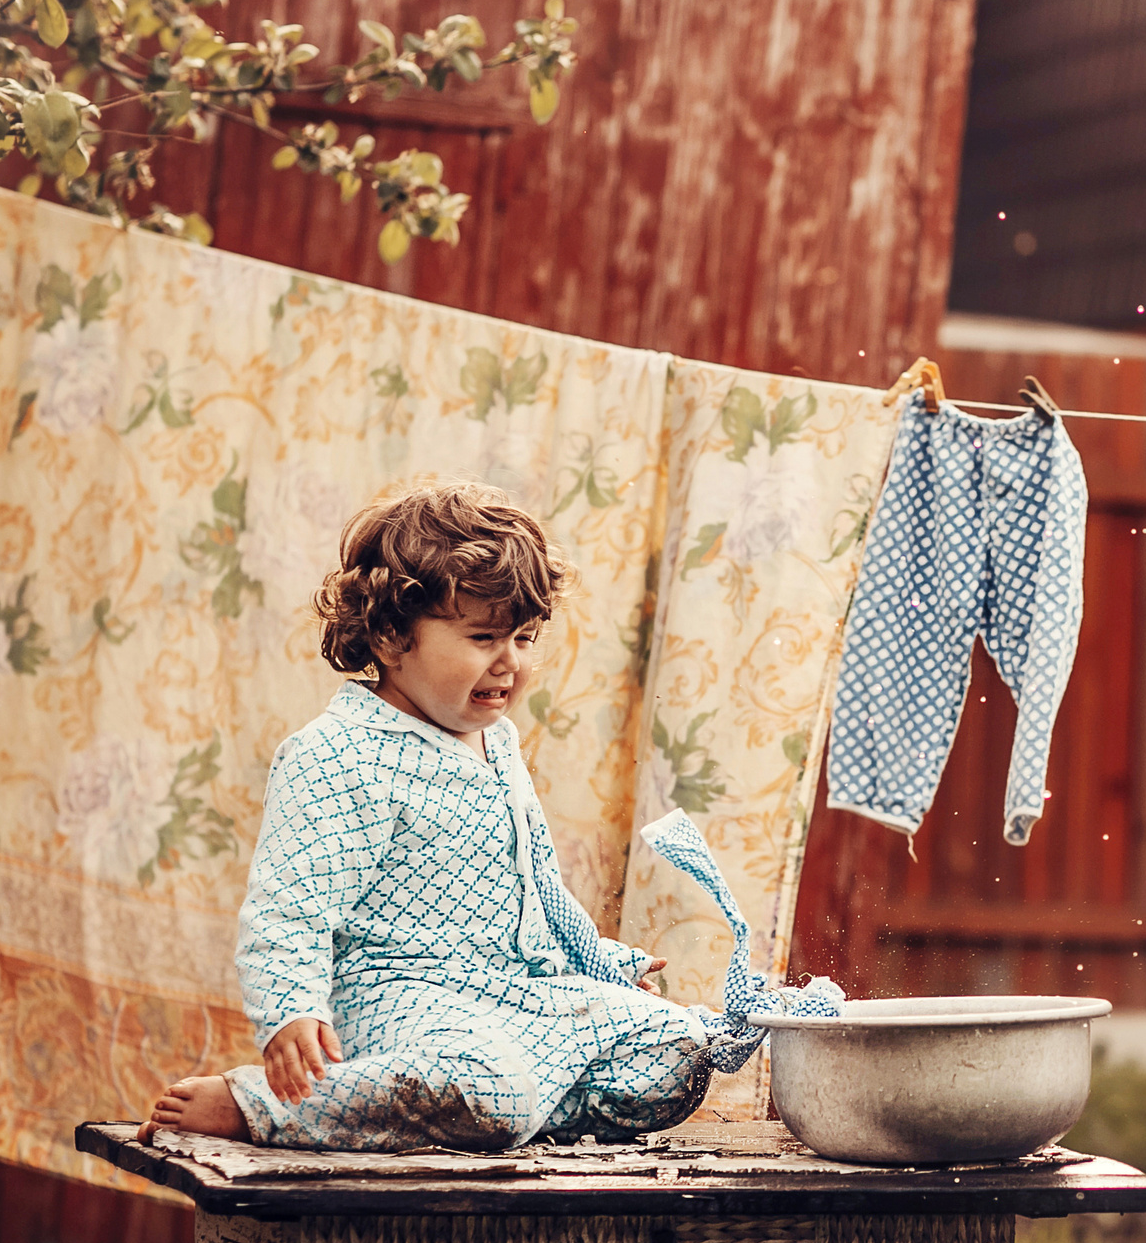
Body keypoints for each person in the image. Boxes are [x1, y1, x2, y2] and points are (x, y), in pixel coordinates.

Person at [139, 481, 804, 1150]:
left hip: (514, 994)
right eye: (483, 636)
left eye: (524, 636)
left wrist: (599, 962)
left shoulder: (496, 742)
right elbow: (292, 907)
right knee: (490, 1085)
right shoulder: (339, 754)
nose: (509, 662)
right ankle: (263, 1105)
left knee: (677, 1051)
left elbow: (536, 880)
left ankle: (497, 1117)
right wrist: (291, 1010)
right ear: (392, 634)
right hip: (400, 1000)